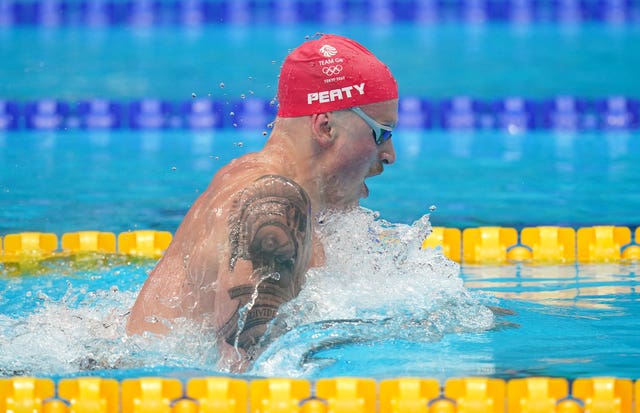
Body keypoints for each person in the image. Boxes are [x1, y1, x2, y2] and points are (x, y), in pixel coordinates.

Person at [126, 33, 399, 372]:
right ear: (326, 127)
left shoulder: (245, 181)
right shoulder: (275, 207)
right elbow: (244, 378)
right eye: (382, 133)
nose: (389, 155)